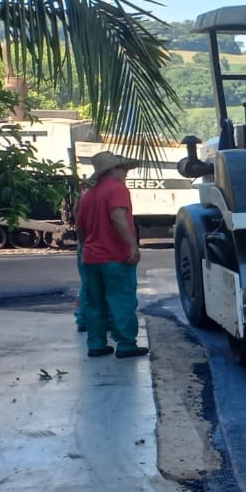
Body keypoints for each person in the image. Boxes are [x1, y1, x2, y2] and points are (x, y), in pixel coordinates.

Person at [75, 151, 147, 359]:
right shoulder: (117, 189)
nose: (126, 172)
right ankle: (125, 344)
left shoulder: (90, 194)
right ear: (113, 170)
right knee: (121, 299)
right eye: (123, 168)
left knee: (95, 302)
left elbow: (81, 229)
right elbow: (118, 217)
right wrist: (132, 245)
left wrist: (88, 244)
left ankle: (96, 343)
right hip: (115, 257)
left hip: (90, 257)